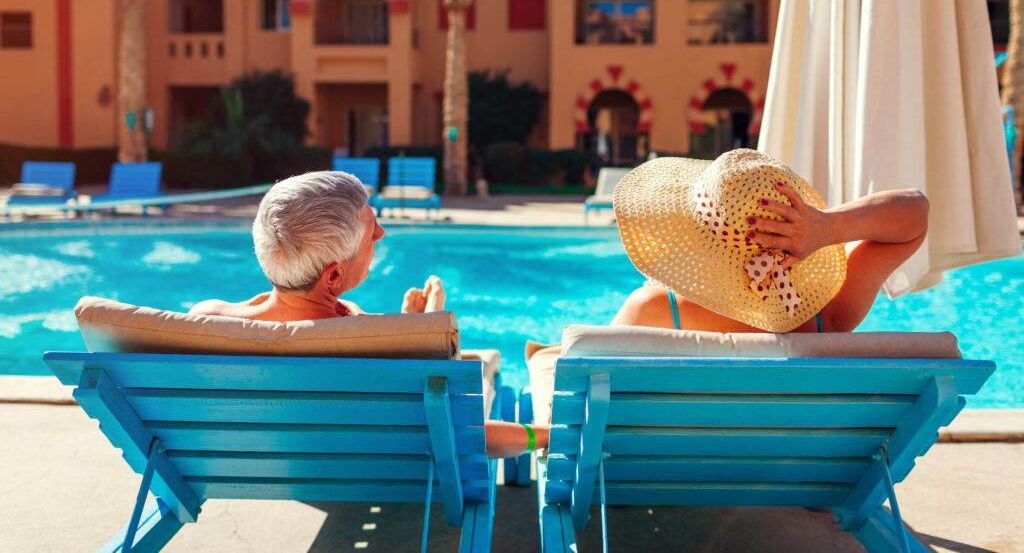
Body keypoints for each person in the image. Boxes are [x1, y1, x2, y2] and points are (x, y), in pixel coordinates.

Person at [190, 170, 548, 457]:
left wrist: (411, 327)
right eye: (369, 234)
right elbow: (465, 434)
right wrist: (543, 434)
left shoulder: (207, 324)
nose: (381, 232)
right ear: (333, 275)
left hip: (290, 466)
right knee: (478, 371)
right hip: (385, 467)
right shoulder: (377, 348)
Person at [610, 149, 929, 335]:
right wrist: (827, 228)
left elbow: (579, 398)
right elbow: (915, 213)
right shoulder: (829, 316)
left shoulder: (652, 311)